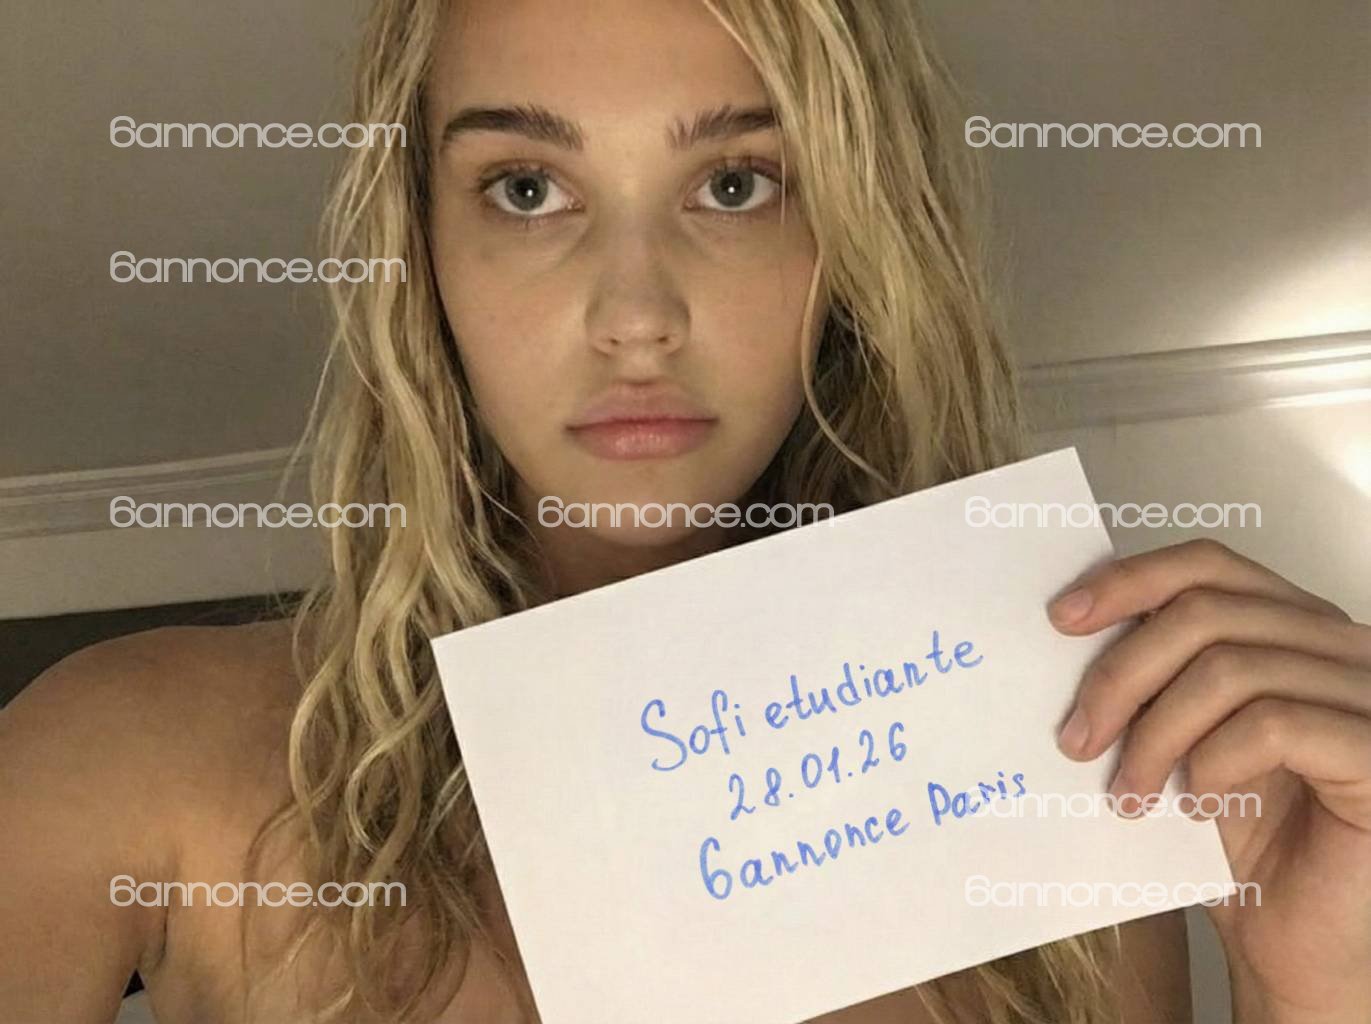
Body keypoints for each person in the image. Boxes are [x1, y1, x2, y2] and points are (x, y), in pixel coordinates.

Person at [3, 1, 1368, 1022]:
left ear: (853, 237)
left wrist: (1315, 987)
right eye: (527, 190)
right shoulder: (131, 757)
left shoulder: (1069, 805)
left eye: (733, 183)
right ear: (420, 249)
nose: (636, 316)